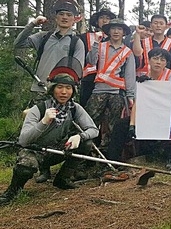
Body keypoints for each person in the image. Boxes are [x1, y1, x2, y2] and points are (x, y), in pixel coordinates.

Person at [0, 62, 99, 206]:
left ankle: (62, 179)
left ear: (73, 91)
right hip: (35, 150)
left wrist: (80, 136)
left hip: (57, 149)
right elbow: (23, 140)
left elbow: (93, 129)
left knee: (87, 143)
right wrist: (44, 122)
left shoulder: (74, 109)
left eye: (68, 88)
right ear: (52, 89)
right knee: (26, 165)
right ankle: (13, 191)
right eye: (59, 87)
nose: (64, 92)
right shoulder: (38, 109)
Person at [14, 0, 85, 103]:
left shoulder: (77, 43)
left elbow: (77, 72)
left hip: (61, 93)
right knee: (34, 119)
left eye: (69, 15)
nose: (64, 17)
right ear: (56, 17)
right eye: (61, 14)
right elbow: (18, 43)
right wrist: (33, 24)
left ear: (74, 19)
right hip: (39, 89)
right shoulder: (43, 37)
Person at [85, 19, 136, 162]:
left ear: (124, 33)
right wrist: (95, 43)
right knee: (90, 123)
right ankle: (86, 156)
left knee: (112, 127)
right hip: (98, 91)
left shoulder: (127, 52)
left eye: (119, 29)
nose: (116, 32)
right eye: (113, 29)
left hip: (116, 94)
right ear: (108, 31)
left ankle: (108, 157)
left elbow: (130, 75)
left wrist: (131, 96)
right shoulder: (100, 46)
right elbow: (91, 61)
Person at [80, 8, 116, 107]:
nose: (104, 21)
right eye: (101, 18)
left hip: (109, 80)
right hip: (89, 78)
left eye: (107, 18)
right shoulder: (84, 37)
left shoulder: (116, 39)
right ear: (96, 21)